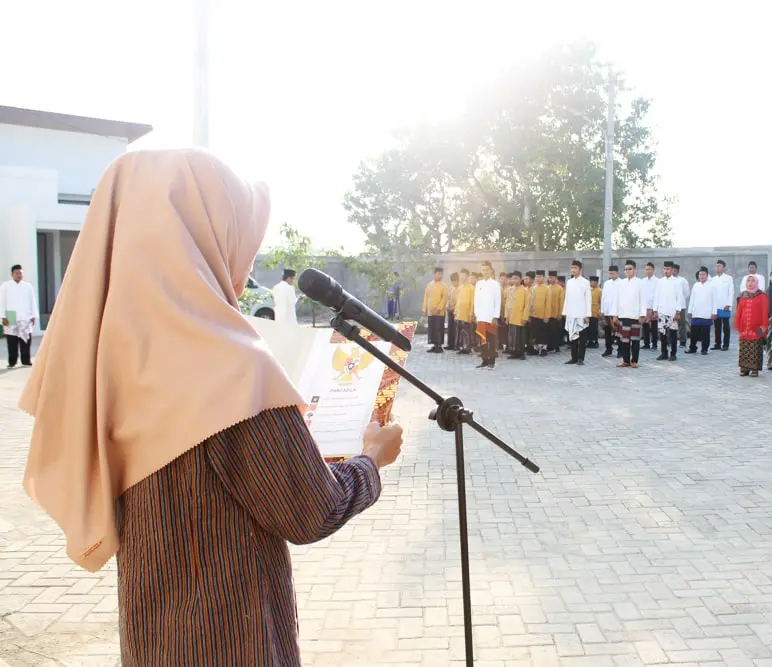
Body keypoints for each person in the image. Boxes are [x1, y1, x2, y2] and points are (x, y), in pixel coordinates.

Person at [18, 149, 404, 665]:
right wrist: (372, 459)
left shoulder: (109, 360)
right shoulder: (231, 364)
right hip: (234, 641)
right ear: (205, 231)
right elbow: (312, 511)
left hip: (154, 641)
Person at [1, 264, 38, 368]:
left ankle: (26, 360)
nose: (19, 275)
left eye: (21, 273)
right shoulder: (5, 286)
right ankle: (12, 361)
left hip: (25, 315)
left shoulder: (28, 286)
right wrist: (2, 316)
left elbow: (32, 301)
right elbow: (1, 302)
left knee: (26, 339)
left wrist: (34, 315)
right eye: (17, 273)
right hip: (10, 315)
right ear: (12, 274)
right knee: (12, 340)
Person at [734, 275, 769, 377]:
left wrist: (764, 326)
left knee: (756, 347)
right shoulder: (743, 296)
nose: (750, 283)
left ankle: (754, 369)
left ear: (757, 283)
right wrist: (737, 325)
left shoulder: (762, 296)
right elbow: (739, 312)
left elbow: (764, 312)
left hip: (757, 328)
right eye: (748, 281)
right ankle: (744, 368)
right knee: (744, 348)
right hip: (744, 328)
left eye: (753, 281)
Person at [612, 259, 644, 368]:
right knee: (624, 340)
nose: (627, 271)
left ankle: (634, 361)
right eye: (626, 269)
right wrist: (615, 314)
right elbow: (616, 299)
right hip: (623, 315)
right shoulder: (621, 283)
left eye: (630, 269)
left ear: (635, 270)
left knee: (635, 340)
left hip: (635, 316)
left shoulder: (640, 283)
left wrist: (642, 314)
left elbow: (643, 299)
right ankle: (625, 360)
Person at [562, 260, 592, 366]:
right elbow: (567, 298)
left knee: (582, 337)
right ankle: (573, 357)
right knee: (572, 336)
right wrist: (565, 312)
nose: (573, 270)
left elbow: (588, 299)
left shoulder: (585, 282)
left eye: (575, 268)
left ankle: (580, 358)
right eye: (572, 268)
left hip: (581, 313)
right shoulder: (569, 282)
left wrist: (587, 315)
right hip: (571, 313)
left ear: (580, 269)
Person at [474, 261, 501, 370]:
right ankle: (484, 360)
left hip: (491, 317)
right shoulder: (478, 284)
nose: (485, 272)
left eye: (487, 270)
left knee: (491, 340)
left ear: (491, 271)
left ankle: (492, 361)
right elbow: (476, 300)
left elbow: (498, 301)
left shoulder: (495, 284)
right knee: (482, 339)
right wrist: (476, 315)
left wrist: (495, 316)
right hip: (481, 316)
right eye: (483, 270)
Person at [654, 261, 683, 361]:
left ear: (672, 270)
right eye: (665, 269)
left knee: (673, 333)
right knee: (662, 334)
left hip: (672, 312)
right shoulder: (660, 281)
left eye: (668, 269)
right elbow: (656, 296)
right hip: (662, 311)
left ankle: (673, 353)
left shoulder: (677, 282)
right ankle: (664, 353)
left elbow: (680, 297)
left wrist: (678, 312)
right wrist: (655, 310)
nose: (666, 271)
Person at [685, 267, 716, 355]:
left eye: (703, 274)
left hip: (707, 313)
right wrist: (690, 310)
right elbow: (692, 299)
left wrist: (714, 312)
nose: (701, 276)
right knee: (694, 332)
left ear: (707, 275)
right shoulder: (696, 285)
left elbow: (715, 300)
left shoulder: (712, 286)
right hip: (696, 312)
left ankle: (704, 349)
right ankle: (692, 348)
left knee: (705, 333)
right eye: (700, 275)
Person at [422, 267, 448, 353]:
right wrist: (425, 309)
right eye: (438, 274)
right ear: (434, 274)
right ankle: (434, 345)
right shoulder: (429, 285)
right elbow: (426, 297)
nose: (440, 275)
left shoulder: (444, 286)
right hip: (430, 312)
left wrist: (439, 308)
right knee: (432, 328)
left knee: (438, 328)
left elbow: (444, 298)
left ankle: (439, 346)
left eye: (441, 274)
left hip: (439, 312)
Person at [710, 259, 734, 350]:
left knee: (726, 326)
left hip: (725, 306)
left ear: (723, 268)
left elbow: (731, 292)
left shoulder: (728, 278)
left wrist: (728, 304)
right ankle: (717, 344)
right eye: (716, 266)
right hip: (716, 306)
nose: (717, 268)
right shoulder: (713, 279)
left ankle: (726, 344)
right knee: (717, 326)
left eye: (719, 266)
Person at [506, 271, 529, 360]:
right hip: (511, 316)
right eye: (512, 278)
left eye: (516, 278)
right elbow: (507, 304)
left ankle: (521, 353)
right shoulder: (510, 290)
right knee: (512, 335)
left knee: (520, 336)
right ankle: (514, 353)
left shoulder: (524, 290)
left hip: (520, 317)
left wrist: (525, 317)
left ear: (520, 279)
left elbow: (527, 305)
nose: (514, 280)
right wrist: (506, 316)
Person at [528, 270, 549, 357]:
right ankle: (536, 348)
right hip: (534, 314)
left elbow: (548, 303)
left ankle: (544, 349)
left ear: (543, 277)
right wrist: (529, 314)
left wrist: (546, 316)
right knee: (535, 332)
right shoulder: (533, 288)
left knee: (543, 333)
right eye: (537, 276)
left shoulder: (547, 289)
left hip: (543, 315)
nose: (538, 278)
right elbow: (530, 302)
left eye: (540, 276)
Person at [454, 269, 475, 355]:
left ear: (467, 276)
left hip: (467, 314)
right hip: (459, 314)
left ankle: (467, 348)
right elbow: (457, 301)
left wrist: (471, 314)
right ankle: (462, 347)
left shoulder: (471, 288)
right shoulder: (460, 288)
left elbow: (472, 302)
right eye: (461, 275)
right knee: (460, 331)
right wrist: (455, 312)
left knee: (467, 331)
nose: (462, 277)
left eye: (464, 275)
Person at [600, 266, 619, 357]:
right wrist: (602, 310)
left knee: (619, 332)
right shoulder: (607, 283)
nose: (611, 275)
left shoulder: (622, 283)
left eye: (613, 273)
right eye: (610, 273)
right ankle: (608, 349)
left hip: (617, 312)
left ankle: (620, 350)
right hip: (607, 311)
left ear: (617, 273)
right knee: (607, 332)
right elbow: (603, 297)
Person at [671, 262, 691, 346]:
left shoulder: (682, 280)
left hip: (681, 306)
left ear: (678, 271)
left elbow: (686, 293)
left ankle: (683, 341)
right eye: (672, 270)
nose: (673, 272)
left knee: (681, 324)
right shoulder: (667, 280)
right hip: (670, 306)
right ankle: (670, 341)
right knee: (670, 324)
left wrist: (680, 300)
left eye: (675, 271)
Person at [641, 262, 659, 349]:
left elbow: (657, 295)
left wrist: (655, 309)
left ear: (653, 270)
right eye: (646, 269)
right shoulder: (642, 281)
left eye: (650, 269)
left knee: (654, 326)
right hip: (645, 307)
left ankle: (654, 343)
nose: (648, 271)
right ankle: (646, 343)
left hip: (653, 307)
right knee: (645, 326)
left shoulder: (657, 281)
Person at [546, 271, 564, 353]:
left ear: (556, 278)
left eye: (552, 278)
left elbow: (561, 302)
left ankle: (556, 347)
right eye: (549, 278)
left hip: (556, 313)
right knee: (548, 331)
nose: (550, 279)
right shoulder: (547, 287)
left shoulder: (560, 288)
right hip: (547, 314)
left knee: (555, 331)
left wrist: (560, 314)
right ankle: (550, 346)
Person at [445, 272, 460, 350]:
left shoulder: (460, 288)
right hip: (450, 311)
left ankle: (455, 344)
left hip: (456, 311)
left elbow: (459, 301)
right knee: (450, 328)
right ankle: (450, 344)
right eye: (452, 281)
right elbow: (448, 298)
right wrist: (447, 306)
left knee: (456, 328)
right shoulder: (450, 288)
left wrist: (454, 308)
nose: (454, 282)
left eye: (455, 280)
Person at [587, 276, 602, 348]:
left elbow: (601, 302)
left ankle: (595, 342)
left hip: (595, 312)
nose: (590, 283)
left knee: (594, 328)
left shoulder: (599, 291)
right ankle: (590, 341)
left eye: (591, 282)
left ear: (596, 282)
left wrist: (600, 311)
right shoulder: (588, 290)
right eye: (590, 281)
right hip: (588, 312)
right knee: (589, 328)